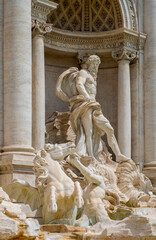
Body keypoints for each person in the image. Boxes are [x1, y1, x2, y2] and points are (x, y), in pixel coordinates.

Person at [56, 55, 129, 162]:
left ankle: (118, 155)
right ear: (89, 64)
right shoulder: (83, 72)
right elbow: (79, 83)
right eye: (94, 64)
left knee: (109, 129)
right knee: (88, 132)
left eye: (97, 65)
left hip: (94, 105)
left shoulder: (93, 76)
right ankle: (91, 156)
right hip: (85, 104)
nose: (95, 67)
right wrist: (86, 96)